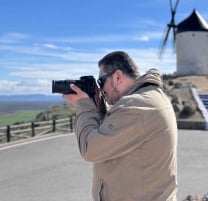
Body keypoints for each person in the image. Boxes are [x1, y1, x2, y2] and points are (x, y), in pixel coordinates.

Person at [63, 51, 178, 201]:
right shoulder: (149, 97)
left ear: (117, 77)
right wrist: (99, 105)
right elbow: (118, 124)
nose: (101, 88)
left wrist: (84, 104)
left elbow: (90, 149)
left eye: (101, 81)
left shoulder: (137, 106)